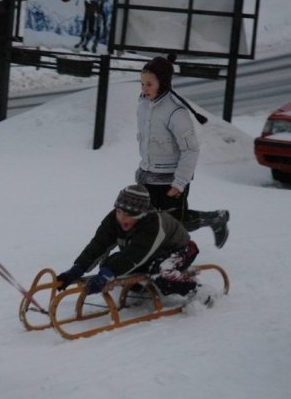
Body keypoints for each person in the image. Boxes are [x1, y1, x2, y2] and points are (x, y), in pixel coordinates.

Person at [56, 184, 214, 303]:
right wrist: (78, 268)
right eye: (119, 212)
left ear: (142, 214)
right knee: (110, 263)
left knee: (161, 272)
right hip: (151, 253)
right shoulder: (113, 219)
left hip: (181, 250)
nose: (122, 218)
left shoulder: (153, 223)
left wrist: (108, 274)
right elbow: (99, 244)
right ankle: (140, 286)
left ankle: (197, 291)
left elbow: (136, 253)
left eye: (129, 215)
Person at [136, 54, 230, 248]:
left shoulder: (175, 112)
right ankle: (149, 254)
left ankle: (215, 219)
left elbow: (191, 151)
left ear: (162, 83)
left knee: (176, 223)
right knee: (146, 219)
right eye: (142, 84)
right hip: (148, 174)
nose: (144, 89)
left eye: (149, 84)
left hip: (171, 178)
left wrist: (179, 183)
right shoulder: (144, 103)